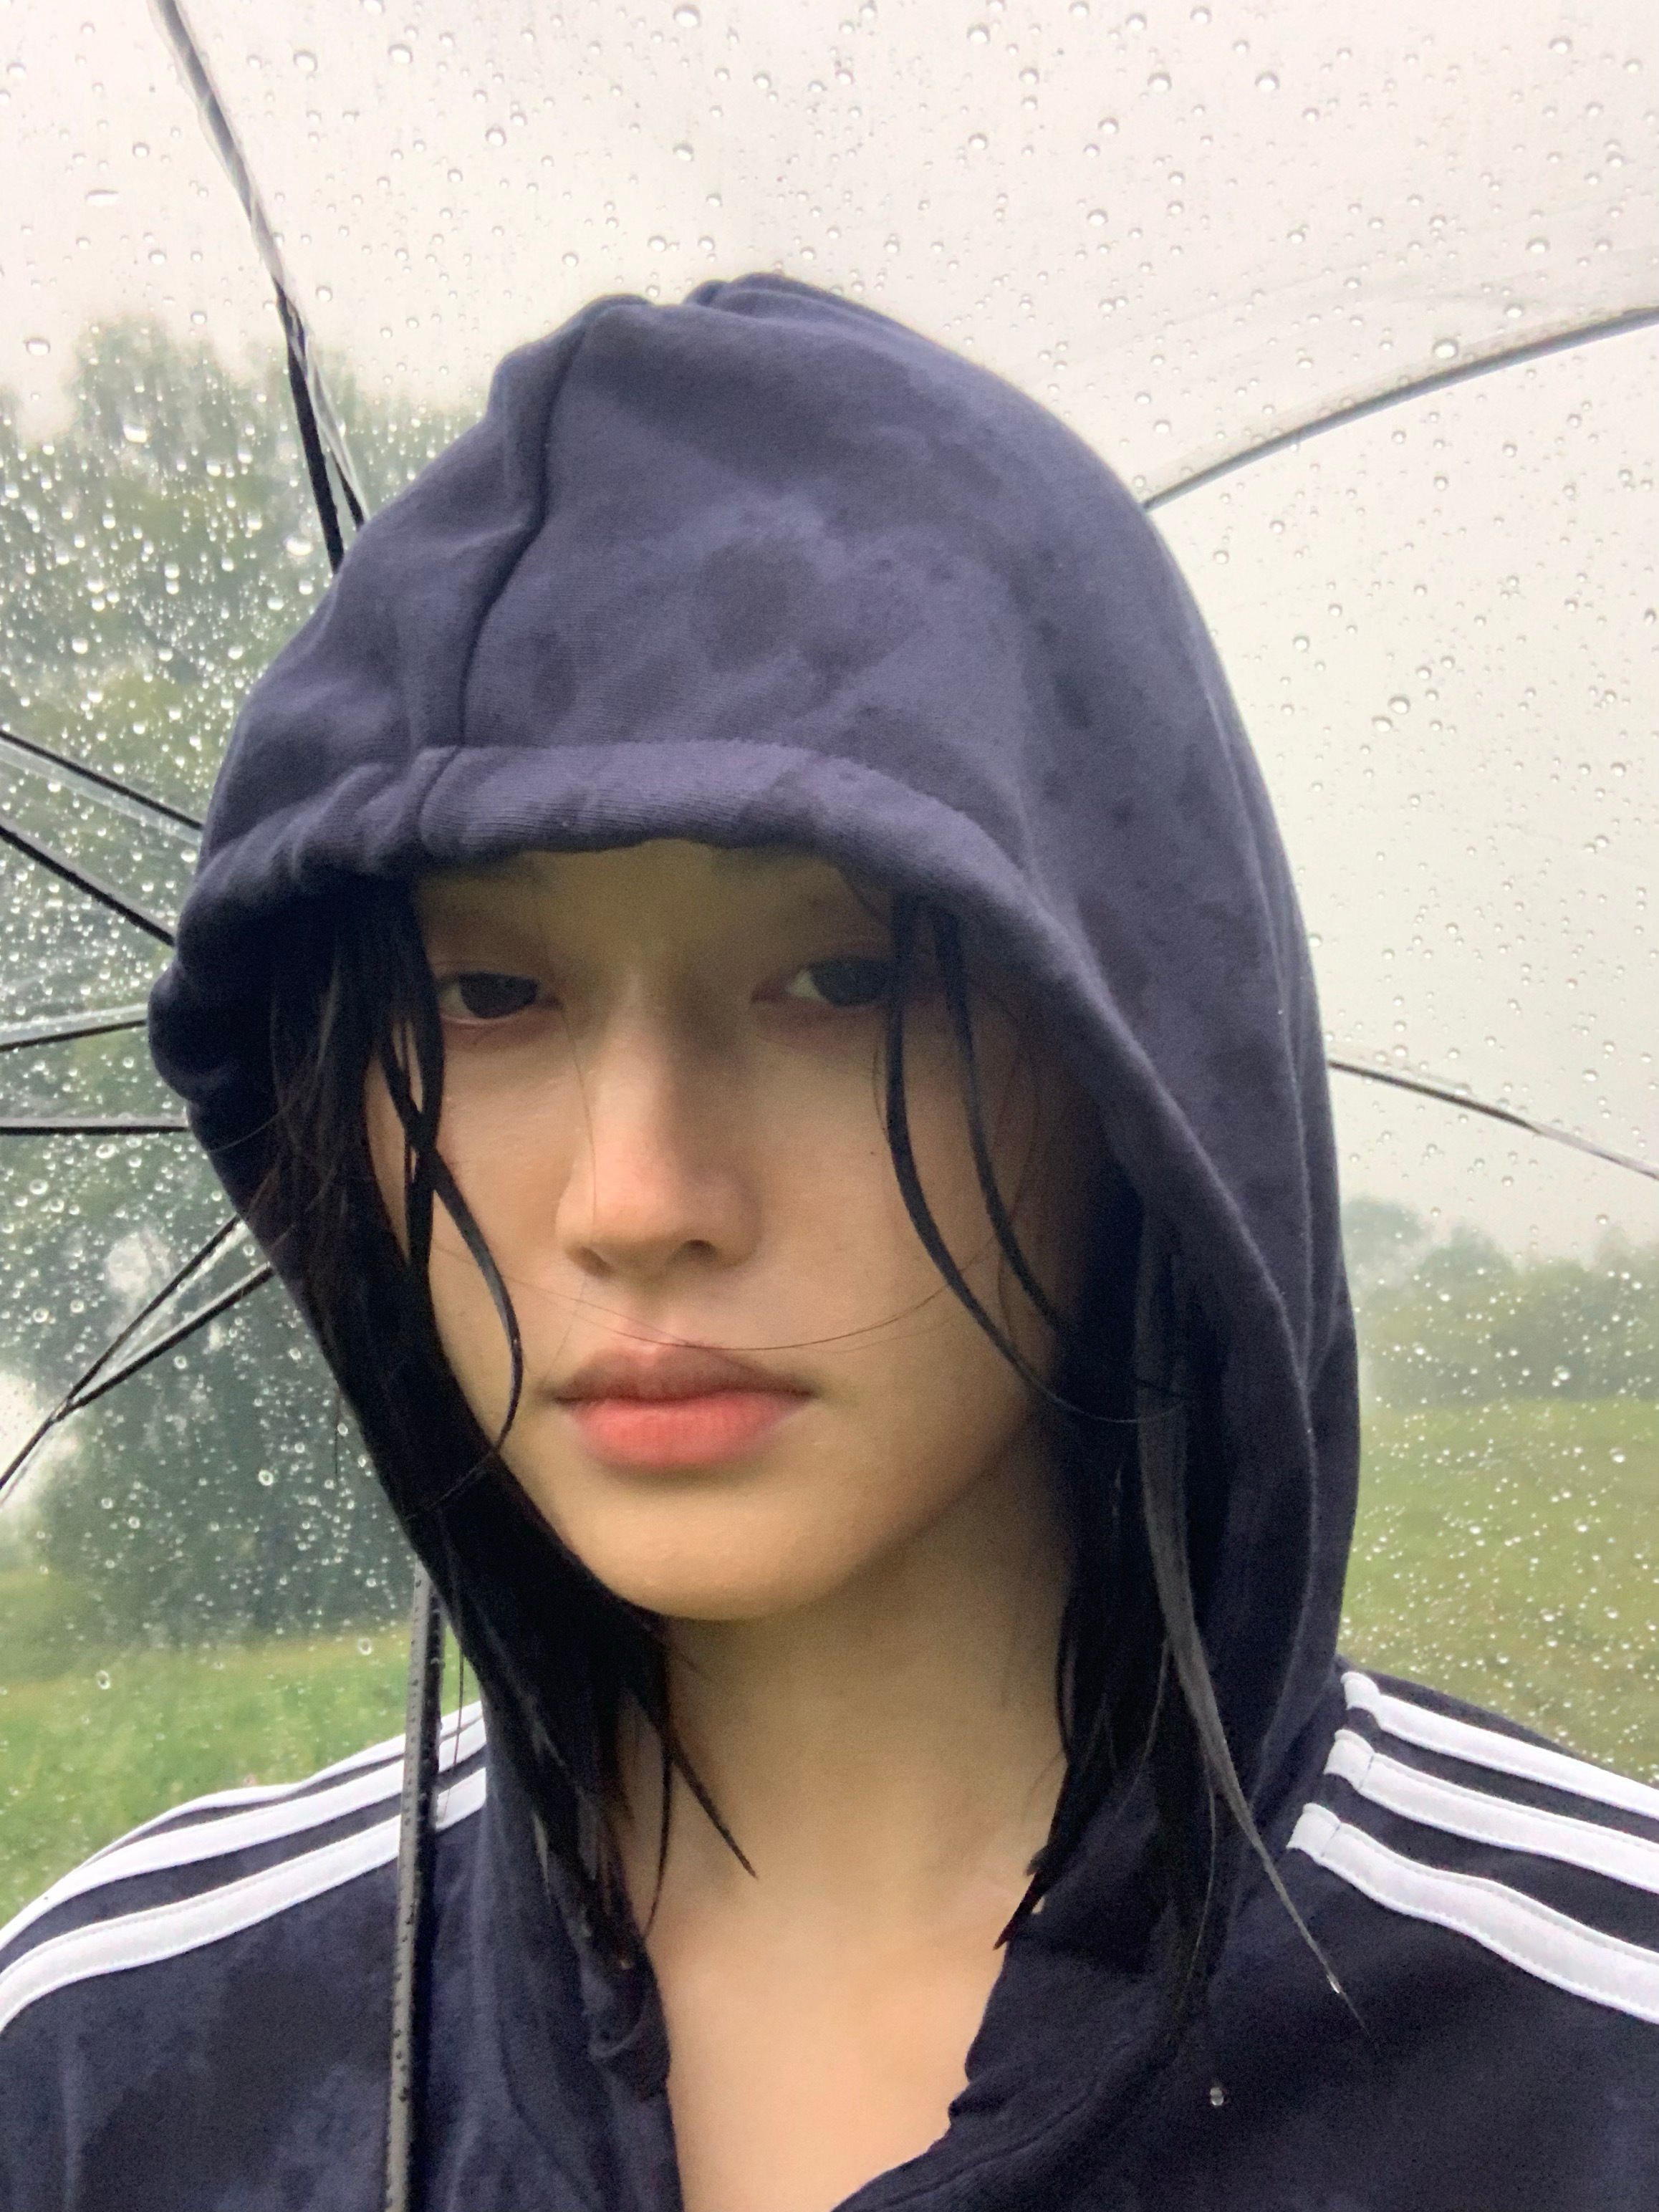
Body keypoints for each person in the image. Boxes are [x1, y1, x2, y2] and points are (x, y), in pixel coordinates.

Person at [1, 274, 1655, 2212]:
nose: (635, 1202)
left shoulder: (1583, 2067)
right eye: (491, 995)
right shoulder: (115, 2060)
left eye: (844, 979)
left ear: (1126, 1055)